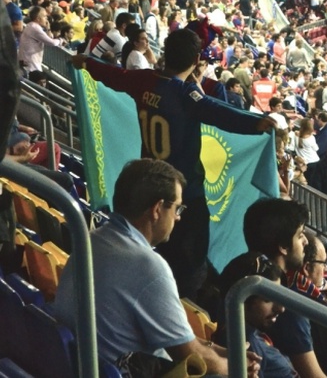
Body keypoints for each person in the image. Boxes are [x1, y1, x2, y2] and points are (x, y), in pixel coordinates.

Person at [71, 29, 276, 299]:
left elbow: (113, 75)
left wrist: (87, 63)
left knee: (157, 252)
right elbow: (218, 112)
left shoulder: (144, 80)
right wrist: (256, 123)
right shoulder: (185, 94)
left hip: (148, 185)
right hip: (184, 197)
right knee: (189, 269)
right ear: (195, 60)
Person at [54, 159, 249, 375]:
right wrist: (240, 368)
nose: (178, 217)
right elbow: (193, 358)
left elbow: (180, 340)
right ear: (157, 209)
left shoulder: (91, 239)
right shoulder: (148, 267)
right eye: (177, 208)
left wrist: (226, 353)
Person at [243, 198, 327, 378]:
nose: (305, 242)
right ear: (283, 246)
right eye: (300, 235)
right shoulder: (296, 305)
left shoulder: (239, 281)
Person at [216, 251, 297, 378]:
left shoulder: (252, 332)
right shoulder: (245, 349)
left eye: (278, 296)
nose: (281, 309)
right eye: (268, 299)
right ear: (242, 300)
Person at [18, 6, 65, 73]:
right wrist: (60, 40)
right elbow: (52, 43)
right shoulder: (35, 28)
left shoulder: (32, 25)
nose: (46, 19)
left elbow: (49, 37)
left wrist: (48, 29)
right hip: (31, 65)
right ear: (38, 19)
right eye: (44, 16)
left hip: (30, 63)